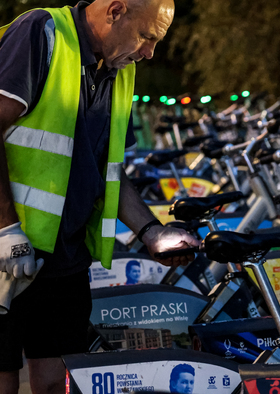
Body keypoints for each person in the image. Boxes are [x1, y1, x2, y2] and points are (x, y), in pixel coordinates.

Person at [0, 0, 198, 393]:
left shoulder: (118, 70)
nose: (148, 53)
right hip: (7, 250)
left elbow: (108, 170)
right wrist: (5, 226)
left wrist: (150, 232)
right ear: (116, 10)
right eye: (146, 36)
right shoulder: (43, 33)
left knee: (58, 379)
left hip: (64, 256)